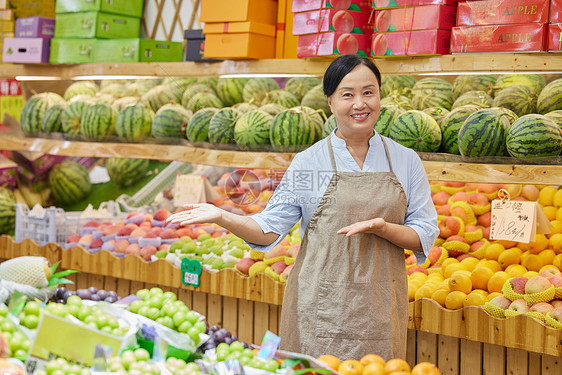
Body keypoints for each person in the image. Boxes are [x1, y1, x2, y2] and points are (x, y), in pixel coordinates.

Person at [167, 54, 439, 360]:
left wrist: (385, 228)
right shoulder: (311, 162)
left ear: (380, 96)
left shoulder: (405, 159)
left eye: (369, 92)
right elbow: (268, 230)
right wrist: (222, 216)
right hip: (320, 307)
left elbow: (425, 231)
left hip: (380, 307)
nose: (360, 104)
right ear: (331, 102)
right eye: (347, 94)